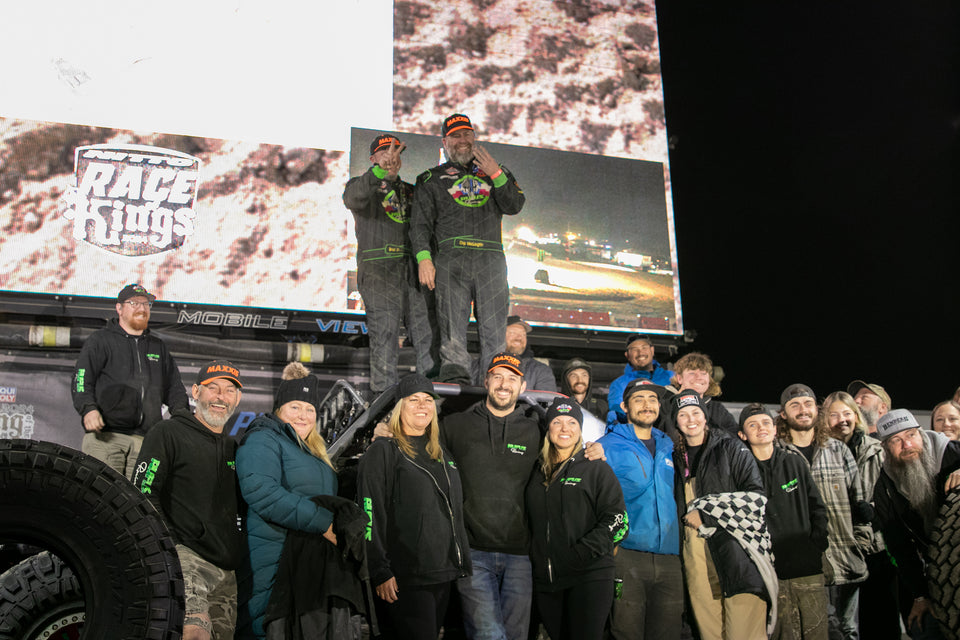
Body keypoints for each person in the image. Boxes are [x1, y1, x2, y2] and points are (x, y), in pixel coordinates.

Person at [132, 360, 245, 640]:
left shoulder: (235, 447)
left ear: (238, 399)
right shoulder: (168, 432)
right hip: (186, 559)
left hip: (227, 571)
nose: (221, 397)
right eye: (213, 388)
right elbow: (142, 493)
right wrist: (170, 548)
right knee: (194, 633)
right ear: (195, 392)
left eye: (229, 390)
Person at [410, 113, 525, 383]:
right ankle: (456, 385)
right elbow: (419, 225)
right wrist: (424, 259)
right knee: (451, 330)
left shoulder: (497, 171)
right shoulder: (430, 178)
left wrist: (495, 173)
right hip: (450, 260)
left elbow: (515, 205)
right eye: (456, 136)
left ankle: (497, 382)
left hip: (491, 260)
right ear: (445, 141)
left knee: (494, 330)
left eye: (467, 134)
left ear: (474, 137)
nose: (463, 140)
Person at [358, 373, 471, 639]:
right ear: (399, 408)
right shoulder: (384, 451)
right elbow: (369, 513)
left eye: (428, 400)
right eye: (413, 400)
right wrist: (380, 569)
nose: (422, 405)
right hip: (405, 577)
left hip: (442, 573)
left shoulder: (441, 453)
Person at [235, 363, 340, 639]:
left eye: (310, 409)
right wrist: (324, 523)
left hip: (306, 565)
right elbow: (262, 491)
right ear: (279, 409)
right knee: (266, 628)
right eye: (295, 407)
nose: (303, 415)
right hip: (273, 559)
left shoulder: (314, 452)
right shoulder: (263, 438)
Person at [673, 389, 774, 640]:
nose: (690, 419)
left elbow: (756, 499)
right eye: (683, 414)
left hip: (737, 553)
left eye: (696, 412)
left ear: (705, 416)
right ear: (676, 421)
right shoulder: (675, 458)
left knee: (744, 633)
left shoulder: (730, 446)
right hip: (695, 558)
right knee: (710, 633)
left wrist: (707, 515)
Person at [343, 133, 439, 395]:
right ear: (373, 158)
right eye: (385, 153)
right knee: (384, 341)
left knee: (427, 340)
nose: (391, 158)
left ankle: (430, 402)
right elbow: (352, 199)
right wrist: (378, 171)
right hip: (379, 273)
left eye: (396, 153)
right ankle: (383, 409)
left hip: (415, 273)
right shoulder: (361, 185)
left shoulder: (413, 191)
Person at [525, 398, 627, 640]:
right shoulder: (537, 471)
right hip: (548, 580)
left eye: (572, 422)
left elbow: (618, 521)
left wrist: (580, 554)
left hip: (589, 576)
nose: (564, 428)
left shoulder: (595, 467)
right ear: (547, 428)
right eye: (557, 422)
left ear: (580, 429)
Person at [777, 384, 870, 640]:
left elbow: (859, 503)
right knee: (818, 629)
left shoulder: (838, 450)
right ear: (783, 414)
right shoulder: (776, 453)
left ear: (817, 411)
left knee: (849, 630)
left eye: (808, 404)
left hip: (846, 558)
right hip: (805, 563)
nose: (803, 410)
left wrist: (861, 544)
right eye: (794, 405)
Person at [72, 283, 189, 478]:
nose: (141, 309)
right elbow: (82, 378)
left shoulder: (158, 347)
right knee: (101, 501)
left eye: (146, 304)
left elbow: (174, 390)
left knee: (138, 505)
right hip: (106, 438)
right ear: (119, 308)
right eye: (134, 303)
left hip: (146, 443)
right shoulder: (101, 340)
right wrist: (88, 409)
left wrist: (183, 419)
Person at [598, 380, 682, 640]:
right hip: (627, 554)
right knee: (626, 632)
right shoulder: (607, 445)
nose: (647, 404)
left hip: (669, 557)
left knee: (668, 634)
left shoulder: (670, 445)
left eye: (653, 399)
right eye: (639, 399)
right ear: (624, 406)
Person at [739, 403, 829, 640]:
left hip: (806, 569)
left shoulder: (794, 462)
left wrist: (815, 546)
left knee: (815, 632)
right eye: (752, 425)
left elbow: (817, 508)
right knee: (781, 634)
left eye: (766, 423)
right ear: (742, 434)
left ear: (775, 429)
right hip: (769, 574)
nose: (761, 428)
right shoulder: (740, 471)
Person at [873, 409, 960, 639]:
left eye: (911, 435)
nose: (907, 444)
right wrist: (921, 596)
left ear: (922, 434)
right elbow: (900, 548)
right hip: (939, 571)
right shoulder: (885, 489)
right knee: (923, 628)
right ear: (885, 447)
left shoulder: (952, 454)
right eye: (896, 440)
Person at [823, 390, 899, 640]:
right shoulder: (819, 452)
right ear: (824, 419)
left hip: (874, 548)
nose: (842, 420)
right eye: (834, 415)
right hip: (836, 548)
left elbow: (895, 494)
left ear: (856, 416)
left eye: (847, 413)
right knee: (842, 624)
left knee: (879, 620)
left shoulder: (877, 450)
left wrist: (875, 512)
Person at [659, 351, 737, 436]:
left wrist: (707, 432)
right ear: (679, 378)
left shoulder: (717, 409)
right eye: (692, 373)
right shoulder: (664, 405)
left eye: (703, 373)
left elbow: (734, 436)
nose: (699, 377)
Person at [607, 333, 673, 427]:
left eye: (644, 347)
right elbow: (617, 415)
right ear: (627, 355)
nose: (640, 353)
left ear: (652, 350)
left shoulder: (672, 377)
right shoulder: (619, 384)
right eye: (634, 349)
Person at [503, 315, 557, 391]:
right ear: (500, 335)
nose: (519, 338)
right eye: (513, 333)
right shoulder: (484, 363)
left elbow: (547, 401)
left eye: (523, 334)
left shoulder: (540, 370)